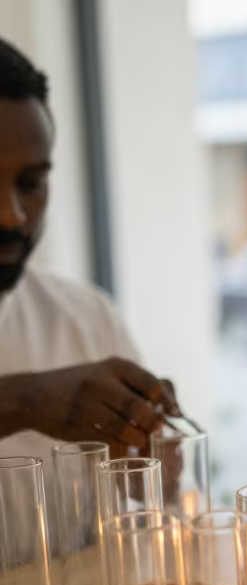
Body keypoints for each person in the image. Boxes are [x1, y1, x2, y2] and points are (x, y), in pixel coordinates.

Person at [0, 38, 179, 464]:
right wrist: (25, 400)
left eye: (30, 183)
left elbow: (146, 500)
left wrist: (159, 458)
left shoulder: (86, 319)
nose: (12, 216)